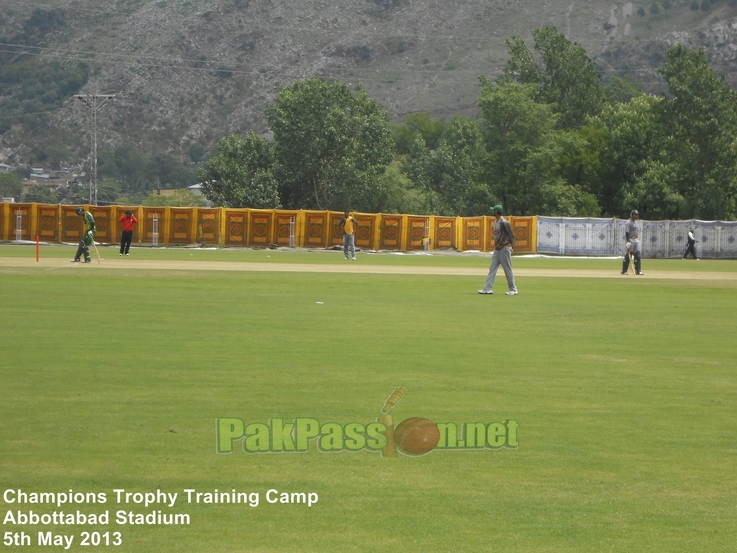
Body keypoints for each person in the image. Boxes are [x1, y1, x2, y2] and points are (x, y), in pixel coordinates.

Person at [478, 205, 518, 296]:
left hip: (504, 248)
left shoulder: (504, 222)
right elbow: (497, 234)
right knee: (492, 268)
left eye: (493, 210)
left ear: (496, 211)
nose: (492, 212)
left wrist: (512, 246)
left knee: (507, 269)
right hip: (497, 249)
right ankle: (488, 289)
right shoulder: (496, 221)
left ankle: (513, 289)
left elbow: (511, 235)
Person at [621, 209, 644, 275]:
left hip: (636, 240)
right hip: (630, 239)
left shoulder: (636, 222)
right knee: (629, 255)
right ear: (631, 215)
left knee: (638, 255)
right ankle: (624, 270)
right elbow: (627, 232)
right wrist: (628, 241)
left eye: (636, 215)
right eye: (634, 215)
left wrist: (636, 235)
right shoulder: (628, 222)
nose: (636, 216)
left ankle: (638, 270)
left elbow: (636, 231)